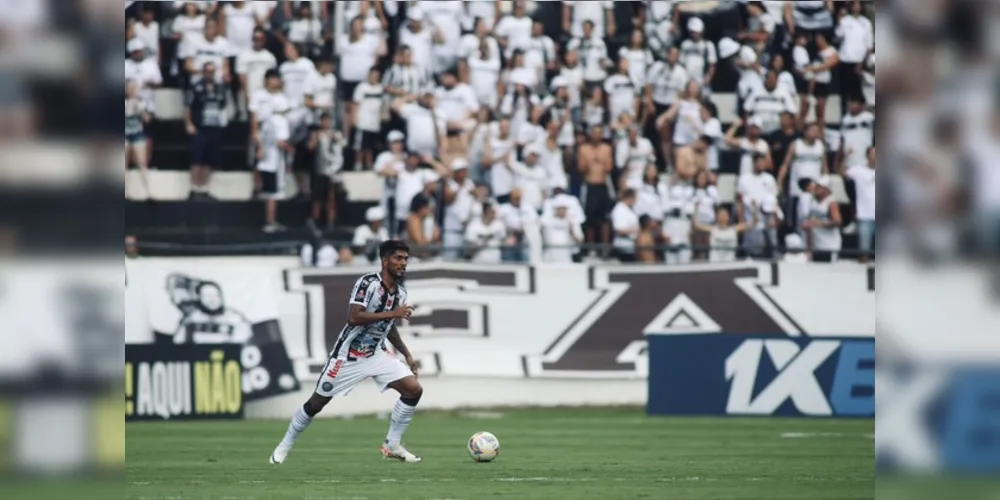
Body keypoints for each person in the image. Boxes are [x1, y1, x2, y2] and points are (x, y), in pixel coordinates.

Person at [269, 240, 422, 464]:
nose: (403, 263)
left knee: (413, 390)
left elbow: (388, 328)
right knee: (316, 404)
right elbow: (354, 317)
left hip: (376, 354)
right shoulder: (368, 283)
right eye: (398, 258)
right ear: (385, 260)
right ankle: (285, 445)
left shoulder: (399, 293)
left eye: (406, 259)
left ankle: (392, 445)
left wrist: (406, 354)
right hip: (348, 356)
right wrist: (393, 314)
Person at [692, 206, 757, 263]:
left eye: (725, 215)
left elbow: (753, 223)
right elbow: (696, 225)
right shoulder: (713, 229)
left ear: (728, 217)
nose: (723, 217)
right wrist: (696, 208)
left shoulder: (734, 229)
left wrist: (754, 208)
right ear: (717, 217)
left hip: (730, 262)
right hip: (715, 263)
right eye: (721, 215)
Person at [803, 176, 843, 262]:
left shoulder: (831, 202)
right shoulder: (812, 201)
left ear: (826, 189)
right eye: (817, 186)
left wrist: (819, 223)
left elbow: (837, 221)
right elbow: (809, 226)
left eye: (820, 187)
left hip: (830, 244)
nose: (817, 189)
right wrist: (808, 248)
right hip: (816, 245)